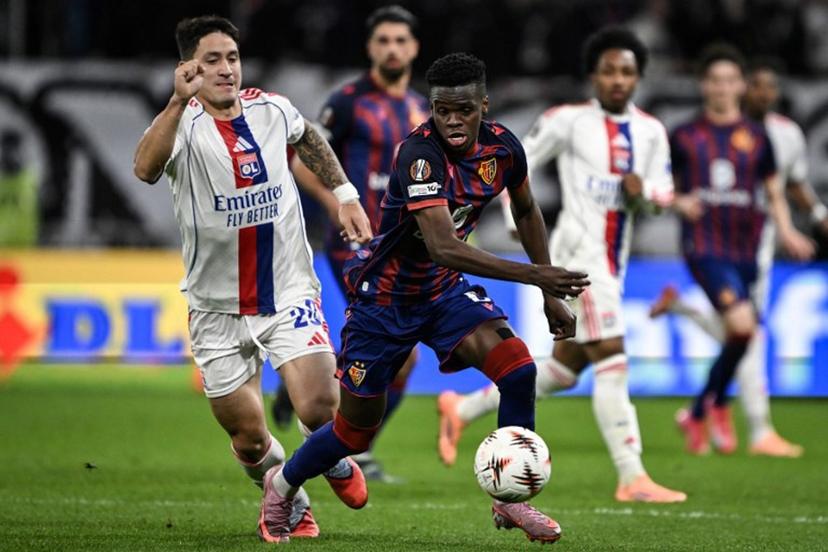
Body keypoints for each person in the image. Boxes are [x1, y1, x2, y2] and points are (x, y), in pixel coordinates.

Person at [256, 52, 590, 544]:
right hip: (384, 300)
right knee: (354, 431)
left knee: (519, 370)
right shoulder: (419, 155)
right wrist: (537, 274)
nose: (452, 120)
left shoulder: (504, 148)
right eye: (442, 110)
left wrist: (548, 293)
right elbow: (443, 246)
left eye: (464, 110)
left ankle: (509, 500)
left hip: (441, 291)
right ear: (431, 108)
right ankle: (282, 485)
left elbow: (525, 209)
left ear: (483, 106)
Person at [132, 15, 373, 541]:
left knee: (321, 406)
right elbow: (145, 169)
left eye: (232, 58)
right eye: (212, 60)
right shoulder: (181, 126)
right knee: (248, 438)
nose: (226, 69)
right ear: (189, 68)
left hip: (286, 290)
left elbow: (309, 138)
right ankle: (295, 499)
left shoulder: (272, 109)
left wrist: (346, 196)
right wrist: (174, 103)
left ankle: (323, 461)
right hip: (215, 307)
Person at [437, 27, 686, 504]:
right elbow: (514, 163)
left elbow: (664, 194)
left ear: (638, 77)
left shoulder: (652, 131)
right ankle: (632, 475)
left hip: (614, 259)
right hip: (578, 256)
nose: (618, 80)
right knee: (610, 352)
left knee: (568, 366)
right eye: (609, 70)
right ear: (593, 75)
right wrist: (516, 220)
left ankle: (461, 409)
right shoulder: (567, 120)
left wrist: (646, 195)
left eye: (627, 71)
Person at [272, 5, 429, 482]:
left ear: (414, 48)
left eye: (400, 41)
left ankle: (312, 392)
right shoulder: (346, 102)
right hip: (356, 242)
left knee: (399, 357)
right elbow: (302, 162)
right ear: (370, 48)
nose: (392, 49)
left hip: (404, 245)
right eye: (383, 40)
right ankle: (352, 451)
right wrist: (339, 204)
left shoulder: (420, 107)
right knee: (401, 350)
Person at [650, 60, 827, 457]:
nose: (722, 87)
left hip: (748, 250)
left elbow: (775, 191)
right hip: (705, 246)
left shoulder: (759, 137)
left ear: (739, 86)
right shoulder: (685, 135)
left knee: (741, 334)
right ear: (704, 85)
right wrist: (678, 202)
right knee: (744, 326)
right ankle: (729, 415)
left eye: (730, 80)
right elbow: (661, 188)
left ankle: (700, 409)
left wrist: (787, 230)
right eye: (715, 80)